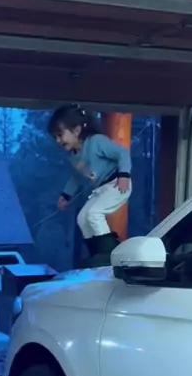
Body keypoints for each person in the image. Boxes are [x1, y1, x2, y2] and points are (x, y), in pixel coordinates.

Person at [49, 104, 132, 260]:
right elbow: (76, 178)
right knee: (82, 218)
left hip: (116, 183)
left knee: (94, 213)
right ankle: (96, 253)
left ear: (76, 130)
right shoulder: (74, 156)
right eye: (55, 137)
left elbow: (122, 153)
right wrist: (66, 195)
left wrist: (124, 175)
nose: (58, 140)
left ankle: (109, 253)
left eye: (60, 135)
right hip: (101, 189)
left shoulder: (96, 142)